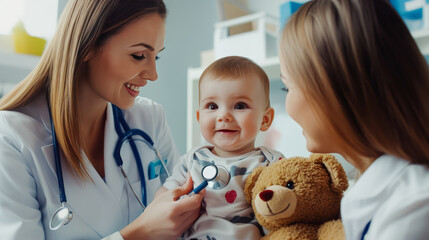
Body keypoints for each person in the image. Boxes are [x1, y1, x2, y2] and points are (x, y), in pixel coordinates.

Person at [0, 1, 205, 239]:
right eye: (138, 56)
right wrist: (141, 232)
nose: (152, 74)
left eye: (155, 57)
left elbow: (186, 216)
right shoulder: (11, 139)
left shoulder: (149, 119)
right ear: (87, 46)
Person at [279, 0, 429, 239]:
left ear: (334, 90)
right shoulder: (378, 191)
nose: (288, 108)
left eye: (287, 88)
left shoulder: (413, 211)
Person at [159, 56, 284, 239]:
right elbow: (164, 199)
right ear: (199, 117)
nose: (223, 116)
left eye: (240, 106)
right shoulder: (192, 160)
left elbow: (284, 211)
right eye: (212, 106)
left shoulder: (270, 163)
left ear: (265, 119)